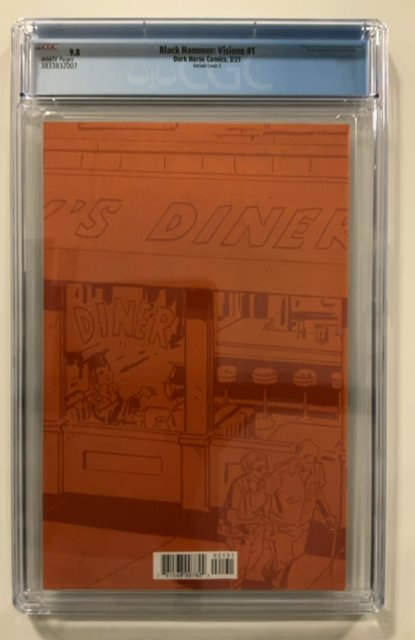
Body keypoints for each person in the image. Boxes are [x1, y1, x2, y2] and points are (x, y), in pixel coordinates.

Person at [266, 439, 337, 588]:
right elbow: (265, 496)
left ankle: (273, 573)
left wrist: (327, 516)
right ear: (296, 455)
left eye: (313, 457)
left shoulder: (316, 472)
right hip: (282, 525)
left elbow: (318, 496)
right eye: (306, 456)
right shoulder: (280, 472)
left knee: (295, 556)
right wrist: (266, 521)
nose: (310, 461)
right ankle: (275, 586)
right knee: (283, 558)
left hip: (303, 526)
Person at [220, 451, 275, 585]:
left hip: (255, 528)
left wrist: (265, 521)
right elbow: (232, 518)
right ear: (248, 470)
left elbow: (263, 507)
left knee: (264, 556)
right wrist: (256, 521)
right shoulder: (238, 485)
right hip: (238, 530)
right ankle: (235, 591)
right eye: (259, 469)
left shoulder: (263, 484)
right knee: (241, 564)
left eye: (265, 467)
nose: (264, 472)